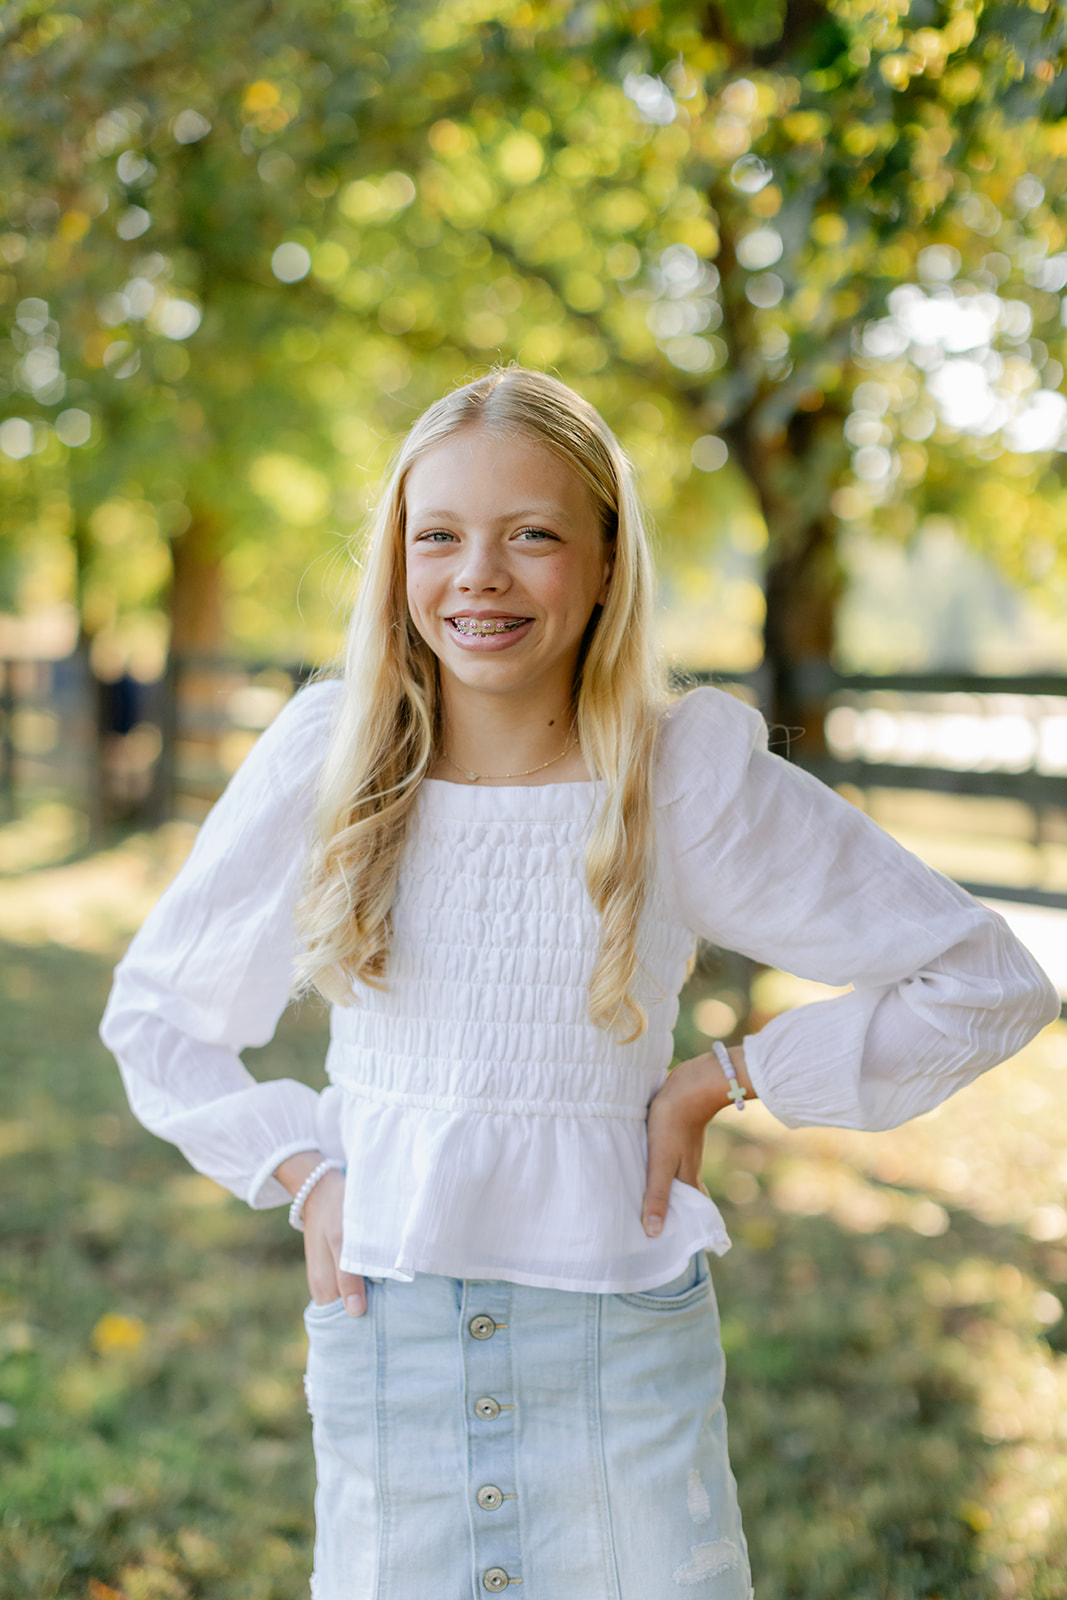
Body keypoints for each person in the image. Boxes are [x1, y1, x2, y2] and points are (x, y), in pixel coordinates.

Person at [100, 367, 1059, 1600]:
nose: (478, 576)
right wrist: (306, 1168)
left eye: (532, 535)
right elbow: (157, 1019)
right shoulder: (325, 760)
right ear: (396, 560)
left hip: (615, 1354)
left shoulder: (677, 777)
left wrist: (724, 1077)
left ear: (606, 560)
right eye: (436, 536)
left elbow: (984, 977)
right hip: (388, 1338)